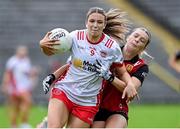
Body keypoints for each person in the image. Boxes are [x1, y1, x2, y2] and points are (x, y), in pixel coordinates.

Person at [39, 7, 137, 128]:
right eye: (92, 21)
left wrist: (130, 84)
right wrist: (43, 46)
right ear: (86, 22)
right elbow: (50, 52)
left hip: (88, 102)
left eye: (99, 22)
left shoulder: (112, 47)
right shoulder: (74, 37)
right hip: (65, 90)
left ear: (104, 24)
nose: (95, 25)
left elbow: (122, 72)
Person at [92, 27, 151, 128]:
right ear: (128, 37)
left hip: (118, 109)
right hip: (96, 106)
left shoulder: (141, 67)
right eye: (136, 36)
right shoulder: (110, 52)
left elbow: (129, 90)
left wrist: (110, 77)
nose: (137, 40)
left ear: (143, 48)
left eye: (142, 41)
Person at [1, 45, 39, 128]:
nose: (24, 53)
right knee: (25, 102)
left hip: (25, 87)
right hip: (15, 87)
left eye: (25, 51)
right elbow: (8, 74)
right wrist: (5, 85)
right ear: (18, 52)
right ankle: (20, 124)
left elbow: (27, 73)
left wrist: (33, 72)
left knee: (18, 106)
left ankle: (17, 124)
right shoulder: (12, 61)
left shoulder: (26, 60)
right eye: (22, 51)